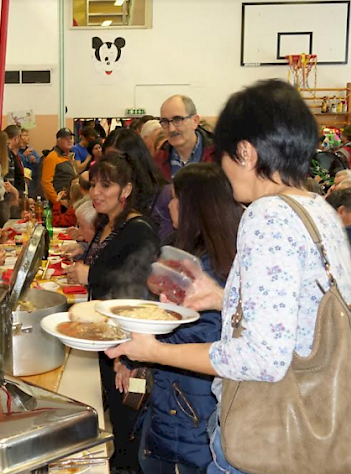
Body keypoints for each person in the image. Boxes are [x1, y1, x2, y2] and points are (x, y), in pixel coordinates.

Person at [106, 79, 351, 474]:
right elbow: (300, 315)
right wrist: (222, 297)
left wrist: (154, 353)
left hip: (267, 435)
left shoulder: (267, 215)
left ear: (245, 152)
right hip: (318, 426)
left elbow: (261, 358)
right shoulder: (316, 209)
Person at [131, 163, 243, 474]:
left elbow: (203, 334)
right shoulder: (208, 253)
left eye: (176, 198)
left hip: (189, 408)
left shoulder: (208, 267)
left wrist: (140, 339)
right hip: (178, 399)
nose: (169, 204)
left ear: (195, 206)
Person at [65, 152, 161, 473]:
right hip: (106, 338)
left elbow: (140, 286)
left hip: (127, 342)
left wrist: (128, 358)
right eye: (93, 184)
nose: (96, 193)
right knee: (117, 423)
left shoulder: (139, 229)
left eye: (106, 185)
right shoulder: (106, 223)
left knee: (130, 427)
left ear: (126, 190)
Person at [103, 128, 173, 243]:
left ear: (134, 159)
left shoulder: (162, 195)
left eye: (116, 159)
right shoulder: (114, 193)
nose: (112, 166)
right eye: (107, 160)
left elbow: (163, 244)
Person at [153, 95, 216, 180]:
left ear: (195, 121)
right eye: (165, 122)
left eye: (178, 120)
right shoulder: (158, 161)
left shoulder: (218, 157)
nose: (171, 129)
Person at [41, 127, 75, 203]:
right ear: (58, 141)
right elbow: (46, 183)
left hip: (70, 200)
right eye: (66, 139)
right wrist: (57, 201)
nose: (69, 141)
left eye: (71, 138)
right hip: (60, 202)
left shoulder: (70, 157)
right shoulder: (52, 157)